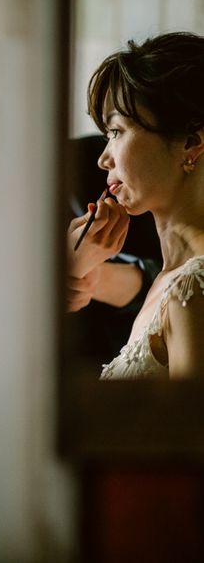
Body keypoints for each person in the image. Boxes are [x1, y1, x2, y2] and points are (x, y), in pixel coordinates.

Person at [68, 31, 204, 380]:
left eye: (116, 132)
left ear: (191, 143)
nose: (103, 159)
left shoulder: (192, 292)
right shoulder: (170, 281)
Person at [66, 136, 162, 365]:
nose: (103, 160)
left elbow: (173, 283)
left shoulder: (84, 163)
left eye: (115, 131)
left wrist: (93, 276)